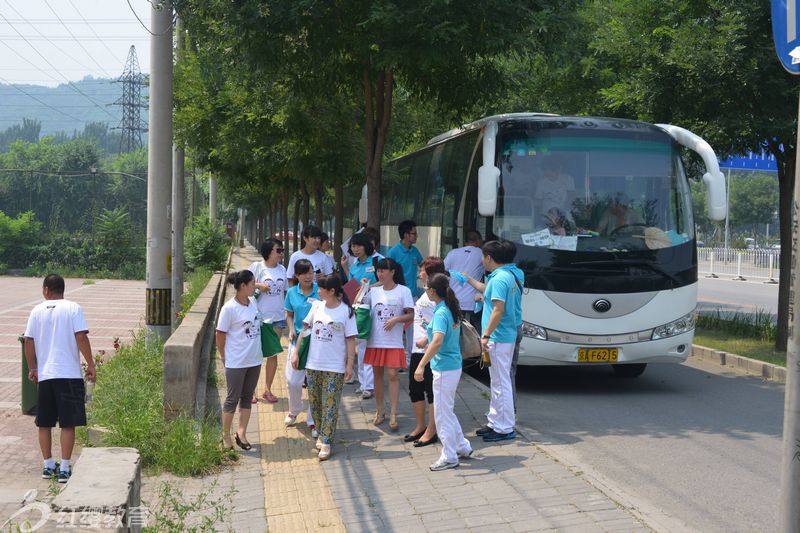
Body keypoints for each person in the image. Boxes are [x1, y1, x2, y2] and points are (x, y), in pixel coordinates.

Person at [24, 274, 96, 483]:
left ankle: (48, 465)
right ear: (62, 289)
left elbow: (28, 341)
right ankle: (64, 468)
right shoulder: (73, 308)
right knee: (68, 424)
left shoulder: (36, 311)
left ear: (46, 289)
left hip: (46, 375)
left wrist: (33, 368)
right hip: (69, 375)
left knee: (44, 423)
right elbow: (81, 336)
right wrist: (90, 365)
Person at [292, 274, 357, 460]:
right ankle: (321, 433)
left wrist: (349, 364)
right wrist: (296, 352)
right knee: (316, 403)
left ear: (332, 291)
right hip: (313, 364)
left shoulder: (346, 312)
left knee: (330, 404)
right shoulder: (317, 306)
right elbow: (304, 331)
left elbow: (350, 340)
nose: (317, 291)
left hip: (335, 367)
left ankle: (326, 441)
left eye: (320, 288)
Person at [414, 273, 473, 471]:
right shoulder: (448, 308)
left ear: (432, 291)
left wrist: (421, 364)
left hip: (444, 368)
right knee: (446, 410)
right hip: (452, 365)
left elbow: (438, 340)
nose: (425, 291)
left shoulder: (440, 312)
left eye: (425, 288)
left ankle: (449, 456)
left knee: (441, 414)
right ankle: (463, 447)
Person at [475, 240, 524, 442]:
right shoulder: (509, 275)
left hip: (498, 337)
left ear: (489, 258)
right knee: (497, 381)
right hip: (505, 335)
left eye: (482, 257)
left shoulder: (498, 279)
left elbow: (498, 309)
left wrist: (485, 334)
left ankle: (504, 427)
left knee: (501, 382)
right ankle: (495, 422)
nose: (482, 261)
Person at [363, 258, 414, 431]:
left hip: (394, 341)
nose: (380, 273)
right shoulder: (374, 291)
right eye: (378, 271)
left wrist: (397, 319)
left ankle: (393, 412)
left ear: (393, 272)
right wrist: (366, 287)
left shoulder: (404, 291)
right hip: (375, 340)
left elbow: (411, 315)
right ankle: (380, 410)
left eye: (384, 270)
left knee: (392, 375)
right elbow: (358, 304)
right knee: (377, 375)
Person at [215, 270, 263, 451]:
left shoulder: (253, 302)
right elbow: (220, 334)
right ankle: (225, 434)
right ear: (243, 286)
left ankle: (241, 433)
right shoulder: (229, 308)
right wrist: (223, 355)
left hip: (255, 359)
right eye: (252, 284)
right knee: (232, 398)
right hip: (236, 361)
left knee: (247, 397)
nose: (254, 286)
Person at [406, 257, 447, 447]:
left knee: (431, 390)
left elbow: (440, 325)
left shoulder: (436, 296)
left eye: (422, 269)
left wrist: (427, 338)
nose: (419, 272)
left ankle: (432, 430)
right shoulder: (426, 293)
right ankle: (420, 426)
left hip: (429, 350)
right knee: (415, 388)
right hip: (417, 348)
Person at [248, 238, 287, 404]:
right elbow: (243, 284)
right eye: (278, 250)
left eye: (282, 250)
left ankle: (267, 390)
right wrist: (258, 285)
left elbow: (285, 292)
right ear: (269, 251)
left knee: (272, 354)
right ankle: (250, 391)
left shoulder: (282, 269)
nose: (281, 253)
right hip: (259, 318)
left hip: (278, 318)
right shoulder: (257, 267)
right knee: (255, 355)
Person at [339, 232, 377, 395]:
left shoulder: (377, 261)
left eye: (358, 246)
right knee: (361, 345)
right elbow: (351, 285)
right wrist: (346, 268)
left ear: (366, 246)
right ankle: (365, 384)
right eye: (353, 246)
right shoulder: (354, 265)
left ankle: (369, 384)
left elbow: (385, 281)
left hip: (375, 308)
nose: (355, 249)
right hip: (360, 310)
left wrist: (369, 287)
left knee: (369, 345)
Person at [283, 259, 318, 437]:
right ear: (296, 275)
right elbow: (289, 315)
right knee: (293, 380)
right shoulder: (291, 292)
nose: (308, 276)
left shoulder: (321, 290)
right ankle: (294, 409)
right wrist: (290, 329)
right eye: (304, 273)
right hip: (297, 341)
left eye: (310, 272)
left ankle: (313, 421)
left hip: (317, 342)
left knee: (313, 382)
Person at [387, 220, 423, 368]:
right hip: (397, 296)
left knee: (411, 330)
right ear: (406, 235)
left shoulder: (415, 251)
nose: (416, 236)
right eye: (414, 233)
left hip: (412, 296)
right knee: (395, 328)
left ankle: (408, 362)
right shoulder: (394, 252)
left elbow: (422, 265)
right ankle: (395, 360)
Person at [444, 230, 484, 329]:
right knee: (478, 330)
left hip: (455, 300)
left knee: (455, 329)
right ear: (478, 241)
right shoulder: (482, 254)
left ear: (465, 242)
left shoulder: (452, 253)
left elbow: (443, 270)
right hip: (474, 303)